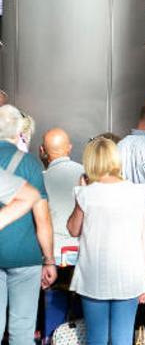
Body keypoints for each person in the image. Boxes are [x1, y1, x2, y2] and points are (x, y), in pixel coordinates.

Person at [67, 138, 145, 345]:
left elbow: (72, 229)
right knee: (122, 339)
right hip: (130, 275)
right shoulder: (138, 192)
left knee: (96, 338)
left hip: (93, 276)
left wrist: (80, 191)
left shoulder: (86, 194)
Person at [0, 105, 56, 345]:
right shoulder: (31, 165)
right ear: (18, 131)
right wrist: (49, 259)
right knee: (22, 331)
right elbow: (42, 220)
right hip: (25, 258)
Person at [40, 128, 84, 263]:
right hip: (83, 252)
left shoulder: (39, 179)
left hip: (53, 255)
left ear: (42, 150)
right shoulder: (86, 174)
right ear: (69, 148)